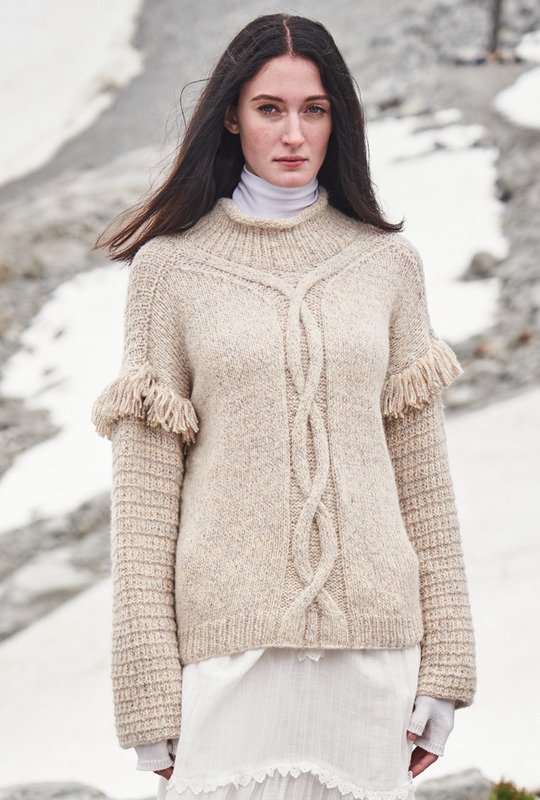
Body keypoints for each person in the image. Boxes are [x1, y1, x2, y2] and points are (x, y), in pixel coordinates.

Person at [90, 13, 476, 800]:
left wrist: (449, 667)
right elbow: (144, 498)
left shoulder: (388, 265)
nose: (294, 133)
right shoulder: (170, 271)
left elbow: (425, 484)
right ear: (232, 115)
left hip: (374, 658)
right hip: (228, 659)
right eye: (270, 108)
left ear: (340, 119)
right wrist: (146, 695)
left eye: (315, 109)